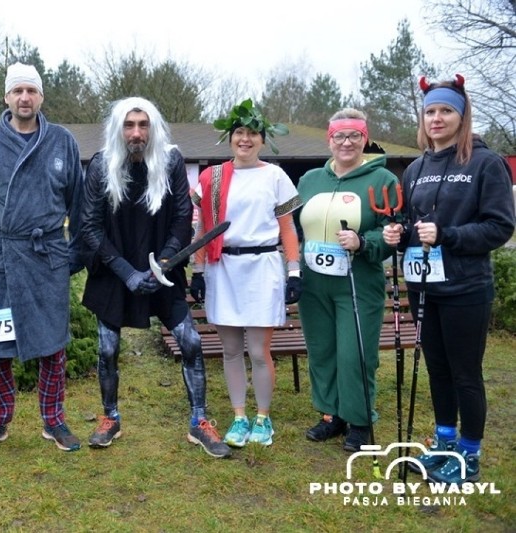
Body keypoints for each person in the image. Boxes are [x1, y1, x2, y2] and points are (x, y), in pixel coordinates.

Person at [79, 96, 230, 458]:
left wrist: (162, 262)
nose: (136, 132)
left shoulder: (171, 161)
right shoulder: (101, 166)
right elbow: (89, 226)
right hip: (115, 270)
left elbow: (182, 216)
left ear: (153, 128)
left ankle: (199, 421)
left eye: (143, 125)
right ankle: (110, 417)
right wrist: (128, 273)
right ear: (119, 129)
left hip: (163, 269)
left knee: (191, 342)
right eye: (129, 125)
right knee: (107, 349)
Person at [383, 75, 515, 484]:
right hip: (424, 287)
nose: (437, 118)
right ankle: (444, 442)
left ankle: (469, 454)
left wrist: (449, 235)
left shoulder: (483, 163)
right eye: (430, 111)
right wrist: (398, 235)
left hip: (466, 288)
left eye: (446, 111)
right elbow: (412, 224)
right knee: (437, 368)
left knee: (465, 373)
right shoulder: (417, 167)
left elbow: (499, 227)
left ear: (461, 115)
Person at [0, 62, 84, 454]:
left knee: (53, 340)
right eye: (17, 91)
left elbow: (79, 203)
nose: (25, 98)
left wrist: (74, 249)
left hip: (46, 254)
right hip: (1, 255)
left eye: (31, 91)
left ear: (41, 97)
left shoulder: (62, 140)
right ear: (7, 97)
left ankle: (54, 418)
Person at [189, 99, 301, 448]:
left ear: (263, 140)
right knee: (231, 349)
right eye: (240, 132)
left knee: (258, 349)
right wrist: (198, 270)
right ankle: (239, 417)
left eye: (253, 133)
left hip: (262, 267)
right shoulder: (213, 177)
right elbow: (201, 227)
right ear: (230, 137)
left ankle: (263, 419)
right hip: (223, 268)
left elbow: (288, 229)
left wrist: (294, 271)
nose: (246, 139)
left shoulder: (275, 176)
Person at [295, 108, 401, 452]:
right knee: (322, 351)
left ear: (364, 138)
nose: (346, 142)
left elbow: (393, 231)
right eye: (339, 135)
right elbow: (293, 226)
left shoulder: (382, 180)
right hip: (314, 282)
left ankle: (359, 419)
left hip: (358, 281)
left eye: (354, 135)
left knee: (355, 353)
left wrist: (364, 241)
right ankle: (331, 415)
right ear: (329, 139)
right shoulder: (310, 180)